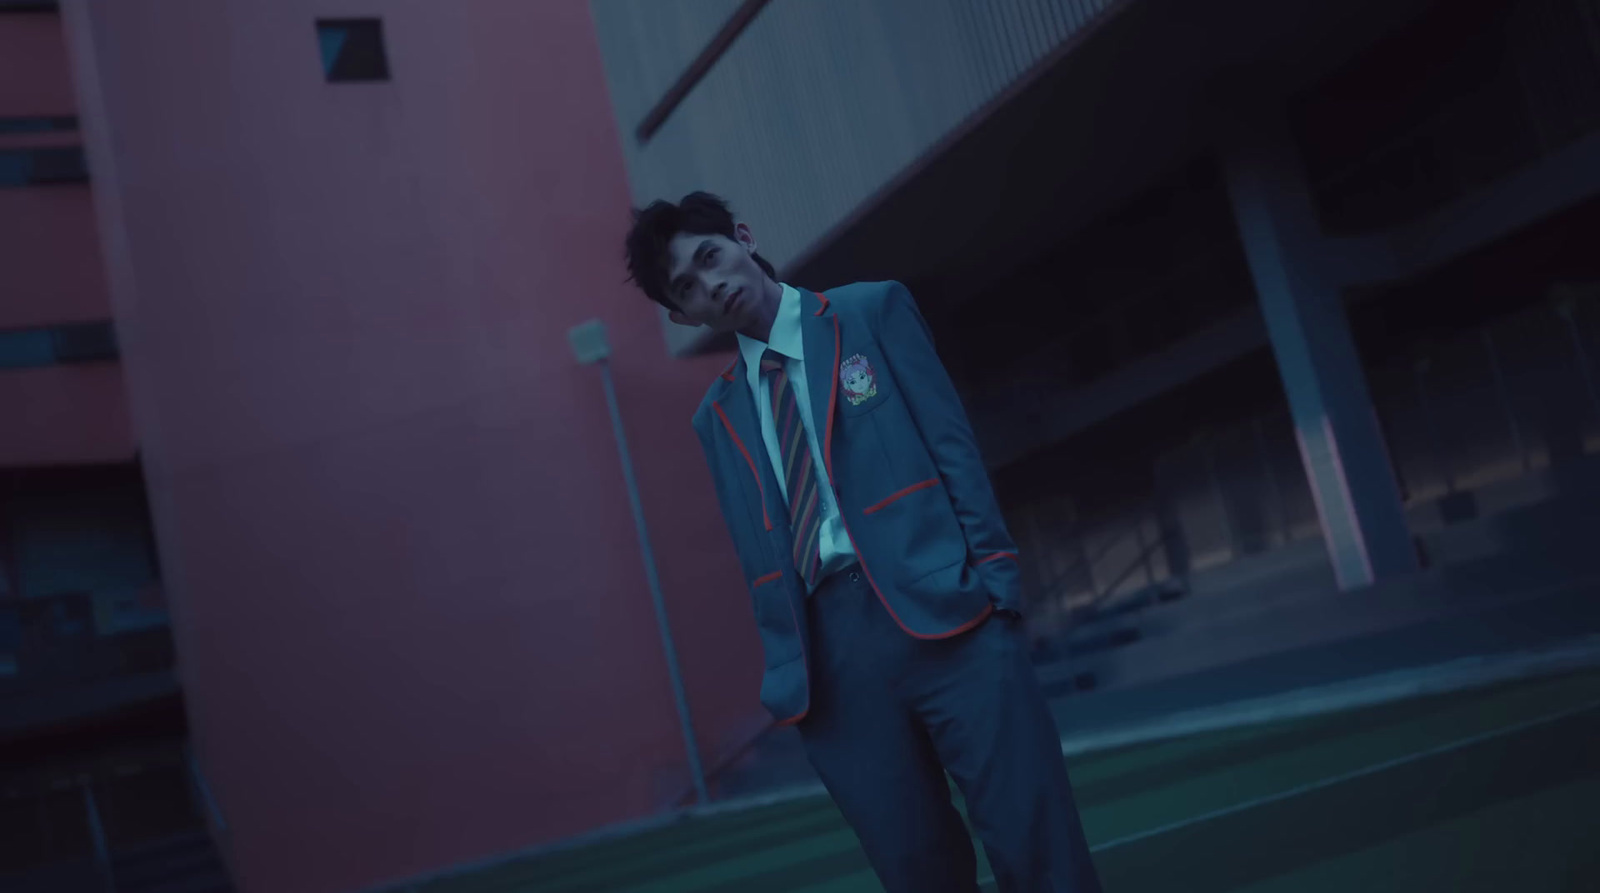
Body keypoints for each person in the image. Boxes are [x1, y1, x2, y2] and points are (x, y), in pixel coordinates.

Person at [624, 193, 1103, 893]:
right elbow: (759, 553)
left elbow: (954, 452)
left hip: (953, 621)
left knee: (1038, 844)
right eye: (688, 287)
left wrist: (997, 590)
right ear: (682, 314)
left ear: (742, 237)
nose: (711, 283)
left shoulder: (869, 313)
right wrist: (791, 666)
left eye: (710, 256)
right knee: (917, 872)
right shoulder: (715, 418)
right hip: (833, 667)